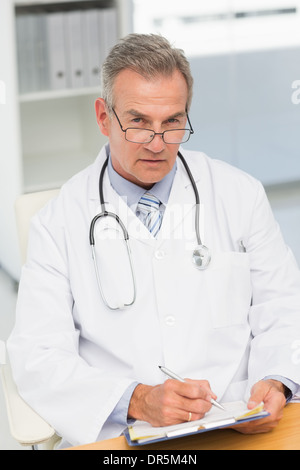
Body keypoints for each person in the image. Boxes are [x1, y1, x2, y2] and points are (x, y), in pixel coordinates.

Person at [7, 34, 300, 448]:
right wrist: (137, 400)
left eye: (172, 122)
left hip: (238, 425)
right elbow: (37, 357)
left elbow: (285, 306)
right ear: (103, 117)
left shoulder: (240, 194)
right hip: (124, 437)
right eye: (139, 121)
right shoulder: (58, 223)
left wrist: (277, 381)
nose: (158, 144)